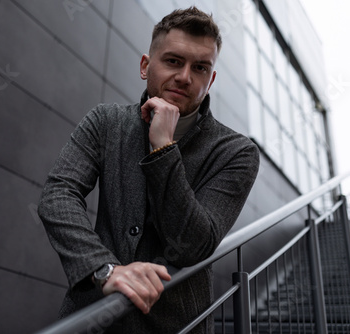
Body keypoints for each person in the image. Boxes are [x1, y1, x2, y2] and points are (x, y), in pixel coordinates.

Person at [38, 6, 260, 333]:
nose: (185, 77)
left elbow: (193, 245)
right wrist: (104, 269)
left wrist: (163, 146)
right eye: (173, 61)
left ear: (210, 80)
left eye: (199, 68)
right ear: (145, 66)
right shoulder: (105, 122)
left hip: (176, 325)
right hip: (93, 318)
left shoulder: (236, 151)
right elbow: (58, 196)